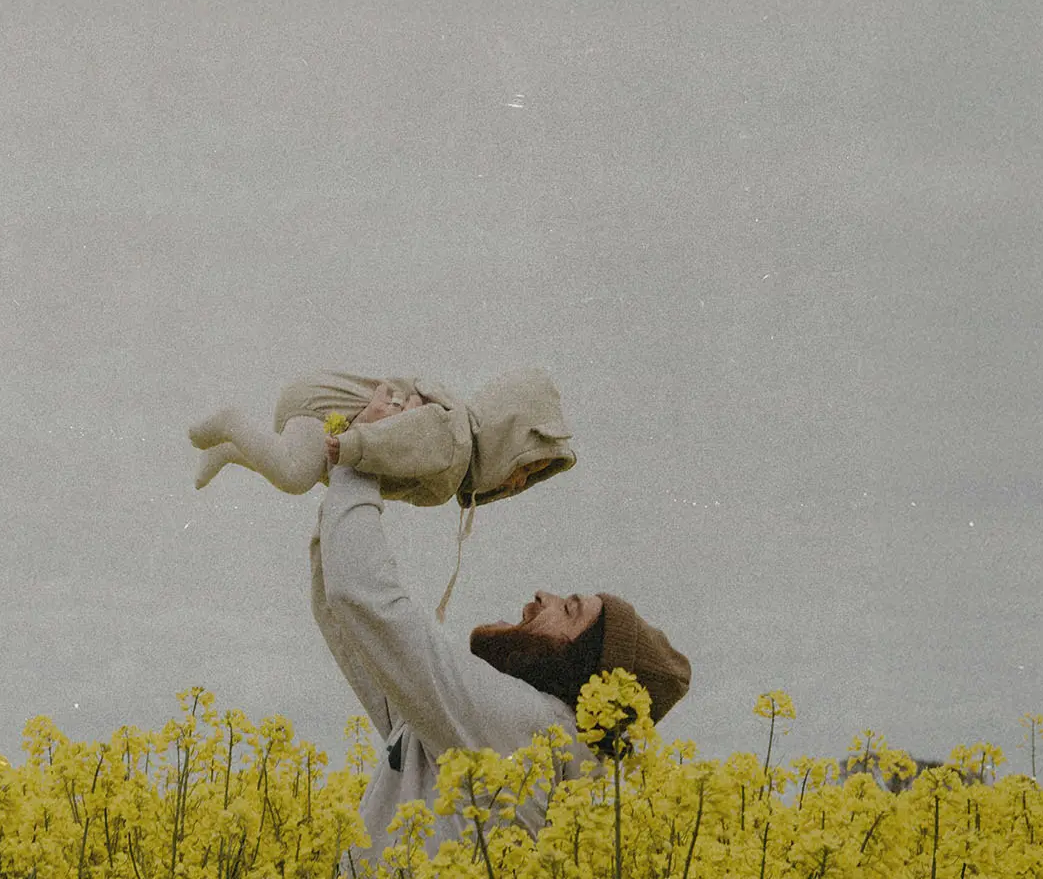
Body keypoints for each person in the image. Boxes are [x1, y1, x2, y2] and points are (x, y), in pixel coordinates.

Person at [311, 385, 691, 869]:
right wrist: (346, 476)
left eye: (569, 610)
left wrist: (363, 454)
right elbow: (350, 619)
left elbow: (368, 603)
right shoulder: (489, 731)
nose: (542, 596)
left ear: (580, 670)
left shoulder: (526, 727)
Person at [189, 368, 576, 508]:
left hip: (329, 420)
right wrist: (356, 445)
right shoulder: (453, 438)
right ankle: (231, 423)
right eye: (527, 467)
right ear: (506, 437)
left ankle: (231, 450)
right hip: (325, 411)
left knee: (294, 469)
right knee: (293, 476)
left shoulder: (456, 455)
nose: (520, 481)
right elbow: (404, 436)